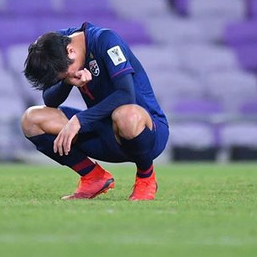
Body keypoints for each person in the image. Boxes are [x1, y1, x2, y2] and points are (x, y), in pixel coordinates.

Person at [21, 22, 169, 201]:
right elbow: (49, 100)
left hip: (146, 132)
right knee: (31, 119)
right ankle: (93, 177)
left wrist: (79, 120)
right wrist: (67, 82)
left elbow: (126, 95)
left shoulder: (106, 41)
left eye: (65, 74)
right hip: (102, 132)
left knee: (125, 115)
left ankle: (146, 177)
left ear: (71, 51)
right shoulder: (56, 45)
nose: (67, 77)